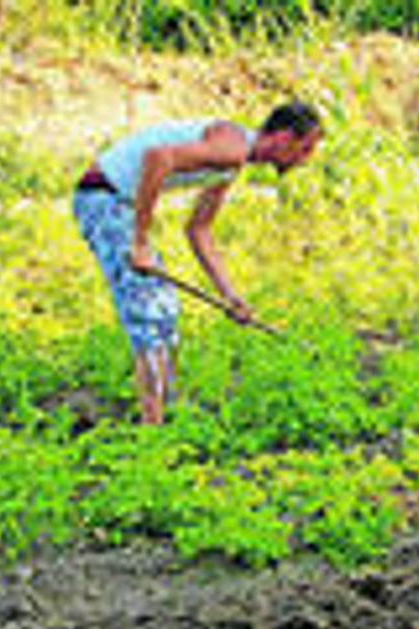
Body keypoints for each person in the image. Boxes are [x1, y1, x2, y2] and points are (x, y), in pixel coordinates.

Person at [73, 101, 323, 424]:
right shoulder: (232, 148)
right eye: (304, 149)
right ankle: (154, 432)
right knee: (149, 311)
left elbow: (199, 229)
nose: (305, 161)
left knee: (166, 312)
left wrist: (231, 297)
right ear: (284, 137)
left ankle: (163, 418)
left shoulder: (234, 162)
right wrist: (140, 242)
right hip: (103, 198)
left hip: (117, 202)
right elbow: (158, 157)